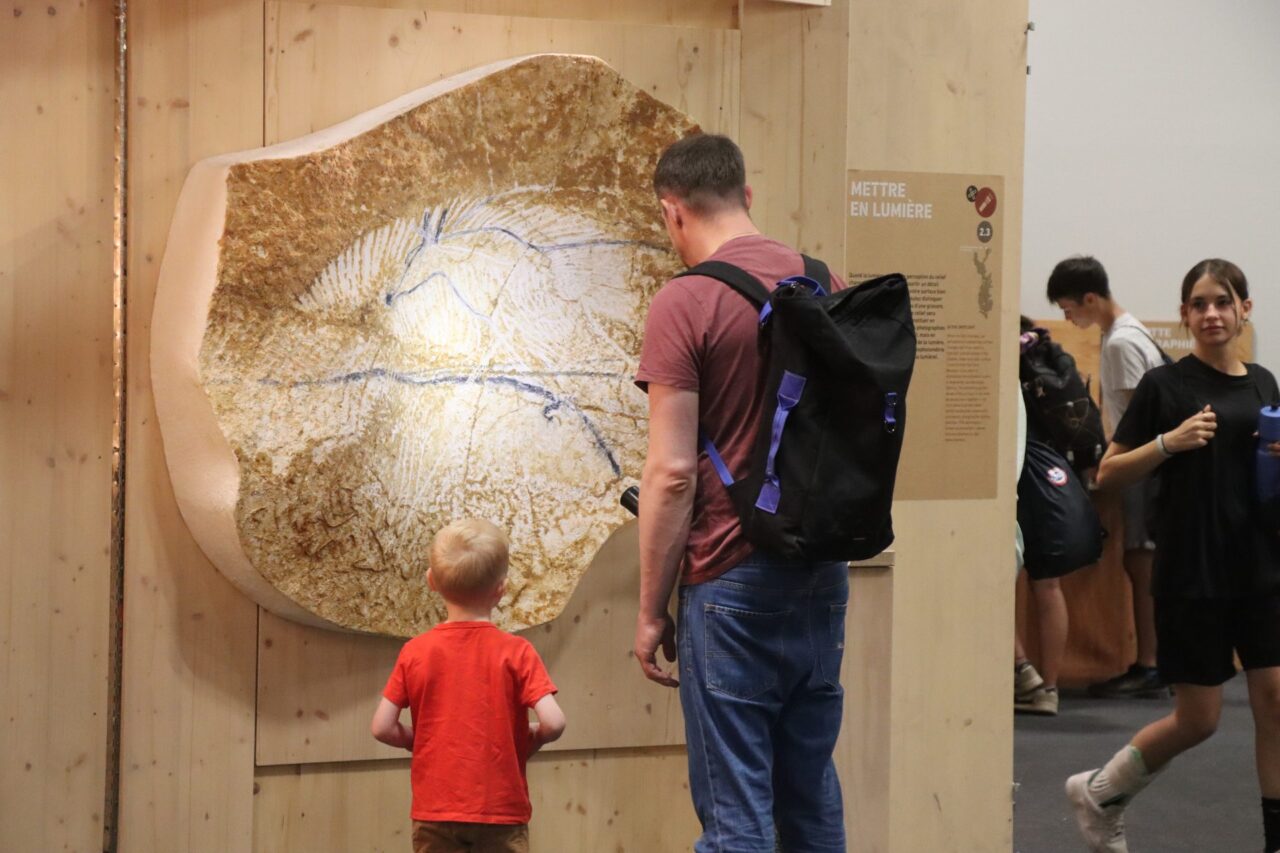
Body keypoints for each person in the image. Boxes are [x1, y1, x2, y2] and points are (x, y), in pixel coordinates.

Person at [632, 133, 850, 852]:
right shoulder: (826, 280)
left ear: (673, 213)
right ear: (747, 196)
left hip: (729, 578)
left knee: (735, 814)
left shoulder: (684, 302)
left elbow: (671, 472)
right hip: (821, 568)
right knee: (810, 793)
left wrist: (649, 610)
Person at [1065, 259, 1280, 853]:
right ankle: (1102, 791)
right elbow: (1109, 470)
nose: (1212, 313)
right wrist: (1168, 442)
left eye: (1223, 302)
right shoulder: (1166, 386)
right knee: (1200, 720)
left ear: (1244, 310)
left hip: (1259, 565)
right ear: (1185, 316)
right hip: (1193, 569)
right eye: (1199, 304)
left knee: (1276, 700)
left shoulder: (1263, 382)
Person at [371, 518, 565, 853]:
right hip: (501, 812)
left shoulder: (415, 652)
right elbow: (554, 722)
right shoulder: (517, 652)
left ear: (431, 581)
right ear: (501, 589)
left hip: (435, 811)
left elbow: (381, 728)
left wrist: (423, 741)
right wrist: (528, 739)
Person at [1049, 256, 1169, 698]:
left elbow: (1145, 414)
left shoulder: (1121, 343)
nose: (1068, 317)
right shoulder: (1128, 333)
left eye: (1068, 308)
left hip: (1143, 466)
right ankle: (1153, 663)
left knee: (1141, 564)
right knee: (1140, 564)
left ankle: (1150, 665)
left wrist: (1114, 465)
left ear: (1091, 299)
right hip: (1145, 464)